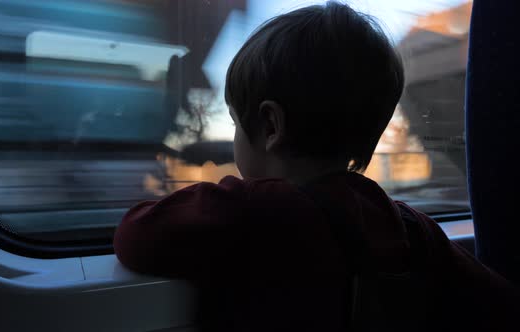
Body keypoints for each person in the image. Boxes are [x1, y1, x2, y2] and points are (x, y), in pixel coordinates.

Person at [114, 2, 519, 331]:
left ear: (271, 126)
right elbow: (500, 302)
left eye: (237, 125)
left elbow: (135, 234)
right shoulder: (412, 229)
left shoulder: (251, 210)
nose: (235, 140)